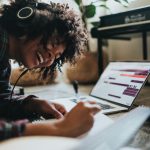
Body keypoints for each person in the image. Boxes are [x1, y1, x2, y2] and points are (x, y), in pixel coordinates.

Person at [0, 0, 100, 140]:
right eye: (53, 43)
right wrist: (60, 128)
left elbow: (1, 99)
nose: (50, 58)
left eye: (56, 56)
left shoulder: (3, 62)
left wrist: (32, 104)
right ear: (26, 21)